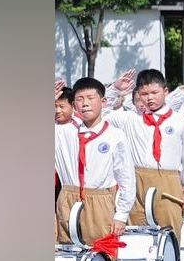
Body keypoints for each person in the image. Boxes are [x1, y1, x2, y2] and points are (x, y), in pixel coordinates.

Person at [107, 69, 184, 231]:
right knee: (135, 231)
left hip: (168, 181)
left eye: (154, 92)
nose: (149, 98)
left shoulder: (181, 121)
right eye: (144, 94)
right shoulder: (130, 119)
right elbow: (101, 113)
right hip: (136, 182)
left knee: (170, 231)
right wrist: (114, 90)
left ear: (165, 91)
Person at [55, 77, 135, 244]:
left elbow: (126, 177)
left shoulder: (115, 135)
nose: (85, 104)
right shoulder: (63, 132)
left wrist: (121, 215)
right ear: (74, 106)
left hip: (101, 201)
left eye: (90, 98)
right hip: (69, 198)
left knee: (103, 255)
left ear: (103, 102)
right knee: (68, 253)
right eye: (79, 99)